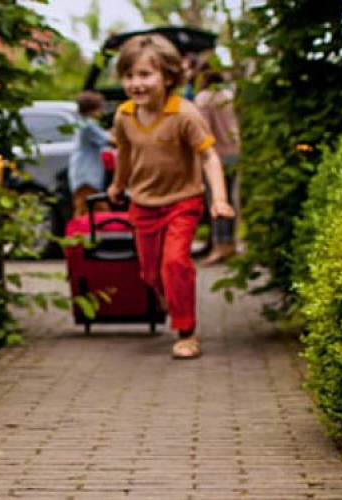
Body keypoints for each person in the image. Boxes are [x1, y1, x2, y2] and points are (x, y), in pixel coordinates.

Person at [106, 34, 235, 360]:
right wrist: (118, 185)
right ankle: (172, 299)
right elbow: (124, 153)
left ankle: (186, 331)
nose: (136, 83)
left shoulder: (185, 114)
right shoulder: (124, 115)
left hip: (183, 201)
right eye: (130, 75)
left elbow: (209, 157)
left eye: (145, 75)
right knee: (150, 274)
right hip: (144, 203)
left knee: (175, 263)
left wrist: (219, 199)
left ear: (167, 77)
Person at [194, 70, 241, 265]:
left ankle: (219, 247)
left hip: (214, 155)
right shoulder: (228, 97)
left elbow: (202, 131)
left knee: (215, 202)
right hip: (234, 153)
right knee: (229, 198)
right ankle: (228, 243)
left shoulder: (203, 98)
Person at [68, 90, 114, 217]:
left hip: (83, 175)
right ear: (94, 108)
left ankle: (85, 235)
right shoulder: (89, 126)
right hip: (87, 176)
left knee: (88, 208)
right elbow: (110, 141)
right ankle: (80, 235)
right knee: (90, 208)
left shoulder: (85, 124)